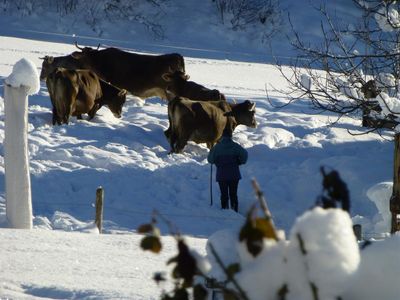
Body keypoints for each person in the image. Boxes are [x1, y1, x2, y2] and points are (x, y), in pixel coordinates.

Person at [207, 129, 248, 212]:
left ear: (222, 136)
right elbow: (245, 155)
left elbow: (210, 160)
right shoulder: (235, 146)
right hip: (234, 175)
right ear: (231, 136)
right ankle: (234, 210)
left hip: (222, 175)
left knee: (224, 194)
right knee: (233, 194)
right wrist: (240, 161)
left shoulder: (217, 147)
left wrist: (215, 158)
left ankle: (225, 210)